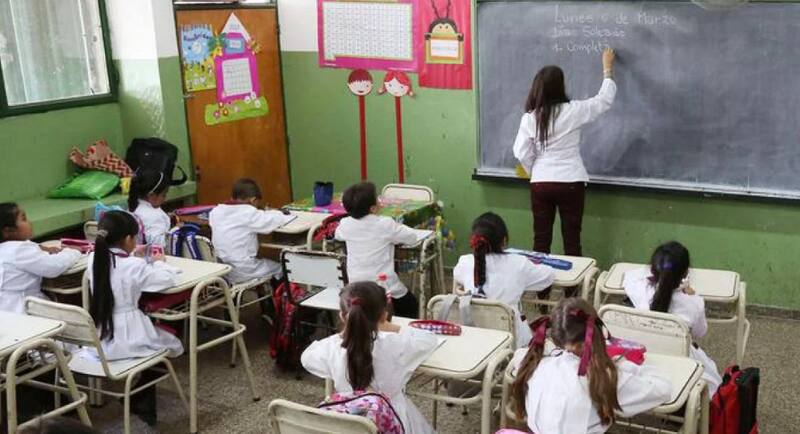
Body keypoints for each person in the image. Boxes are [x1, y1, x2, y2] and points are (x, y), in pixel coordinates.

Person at [513, 47, 617, 257]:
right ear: (560, 87)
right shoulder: (573, 111)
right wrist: (607, 69)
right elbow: (603, 101)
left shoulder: (530, 118)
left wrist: (535, 169)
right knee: (572, 239)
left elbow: (521, 152)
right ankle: (572, 290)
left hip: (541, 183)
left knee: (541, 240)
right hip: (571, 181)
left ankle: (542, 289)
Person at [511, 298, 671, 434]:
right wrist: (622, 363)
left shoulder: (535, 363)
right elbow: (663, 389)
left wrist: (551, 350)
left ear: (554, 334)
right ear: (598, 332)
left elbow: (519, 355)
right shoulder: (604, 377)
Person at [301, 281, 438, 434]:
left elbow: (307, 358)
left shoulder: (332, 347)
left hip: (349, 423)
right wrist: (390, 326)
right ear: (383, 315)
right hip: (392, 418)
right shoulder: (395, 344)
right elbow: (428, 340)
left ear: (342, 316)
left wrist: (343, 334)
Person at [87, 210, 183, 425]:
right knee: (173, 345)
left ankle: (142, 400)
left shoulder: (95, 257)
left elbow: (118, 269)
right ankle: (141, 397)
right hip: (130, 334)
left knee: (161, 342)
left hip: (101, 336)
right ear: (129, 239)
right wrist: (159, 261)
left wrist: (131, 256)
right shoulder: (133, 265)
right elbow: (165, 280)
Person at [623, 241, 723, 395]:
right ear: (686, 273)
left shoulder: (640, 291)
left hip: (642, 360)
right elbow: (700, 332)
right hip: (679, 363)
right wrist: (692, 294)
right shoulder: (693, 302)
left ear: (653, 270)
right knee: (712, 373)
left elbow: (630, 276)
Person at [453, 212, 554, 348]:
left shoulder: (465, 262)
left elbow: (458, 275)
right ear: (504, 240)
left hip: (475, 339)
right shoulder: (519, 263)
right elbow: (548, 277)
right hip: (512, 342)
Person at [335, 182, 426, 318]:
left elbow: (338, 235)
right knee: (411, 305)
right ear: (373, 208)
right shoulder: (384, 224)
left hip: (355, 287)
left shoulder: (345, 224)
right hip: (383, 286)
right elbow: (412, 237)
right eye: (377, 198)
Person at [208, 178, 294, 284]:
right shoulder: (248, 213)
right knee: (282, 269)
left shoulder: (216, 211)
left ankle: (268, 299)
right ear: (253, 200)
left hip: (223, 270)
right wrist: (278, 212)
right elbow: (275, 220)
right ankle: (279, 299)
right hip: (243, 270)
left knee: (264, 263)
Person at [0, 203, 81, 314]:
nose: (29, 222)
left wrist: (40, 248)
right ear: (8, 231)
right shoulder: (20, 250)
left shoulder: (10, 248)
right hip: (22, 309)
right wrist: (73, 251)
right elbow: (54, 267)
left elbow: (24, 251)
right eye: (24, 219)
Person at [128, 169, 170, 247]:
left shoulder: (133, 208)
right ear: (151, 195)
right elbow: (158, 244)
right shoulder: (154, 216)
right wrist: (176, 230)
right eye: (164, 195)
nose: (165, 198)